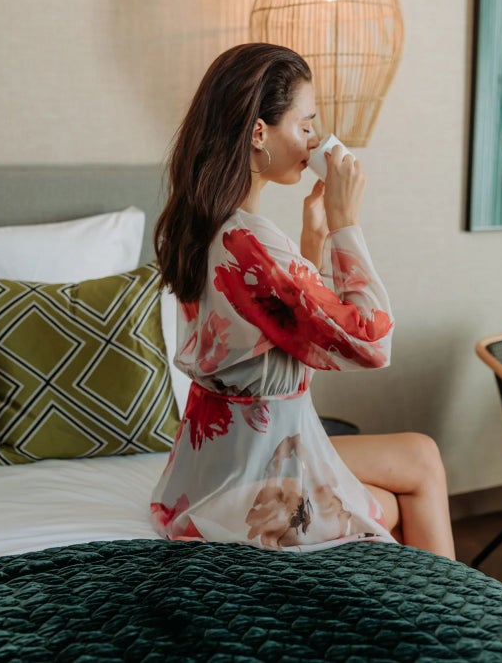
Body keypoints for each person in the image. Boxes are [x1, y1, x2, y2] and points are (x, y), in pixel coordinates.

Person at [149, 42, 455, 559]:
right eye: (306, 124)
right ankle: (452, 616)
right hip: (251, 478)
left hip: (218, 464)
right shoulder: (251, 242)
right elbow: (371, 341)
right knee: (398, 499)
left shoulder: (204, 224)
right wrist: (345, 223)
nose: (313, 140)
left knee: (421, 455)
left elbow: (282, 326)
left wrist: (310, 242)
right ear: (258, 133)